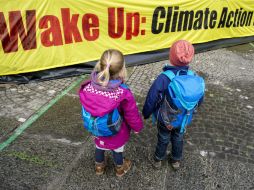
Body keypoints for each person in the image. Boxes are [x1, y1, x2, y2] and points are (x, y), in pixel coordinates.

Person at [79, 49, 143, 177]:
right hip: (117, 131)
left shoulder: (88, 87)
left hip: (96, 128)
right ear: (121, 70)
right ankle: (120, 168)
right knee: (117, 150)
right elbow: (131, 113)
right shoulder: (123, 92)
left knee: (99, 146)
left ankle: (99, 166)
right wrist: (137, 127)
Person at [142, 40, 204, 170]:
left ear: (171, 57)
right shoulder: (194, 77)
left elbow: (152, 98)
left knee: (163, 138)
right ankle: (176, 161)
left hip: (166, 120)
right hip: (184, 119)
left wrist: (146, 113)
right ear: (190, 59)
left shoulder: (164, 78)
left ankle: (158, 160)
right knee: (178, 138)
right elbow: (199, 100)